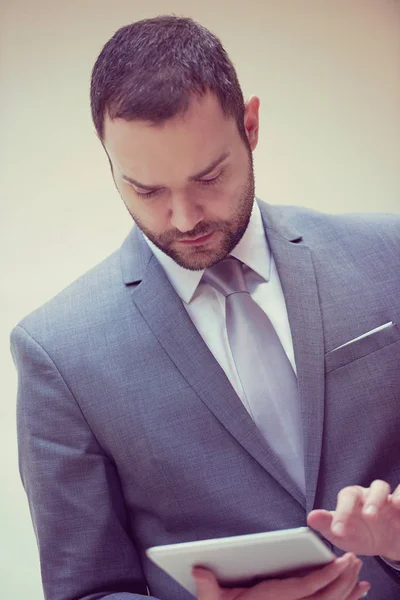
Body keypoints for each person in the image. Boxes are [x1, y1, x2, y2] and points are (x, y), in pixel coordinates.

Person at [11, 15, 400, 600]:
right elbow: (84, 590)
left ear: (250, 125)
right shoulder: (57, 354)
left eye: (209, 177)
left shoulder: (387, 256)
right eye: (146, 190)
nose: (185, 218)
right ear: (110, 164)